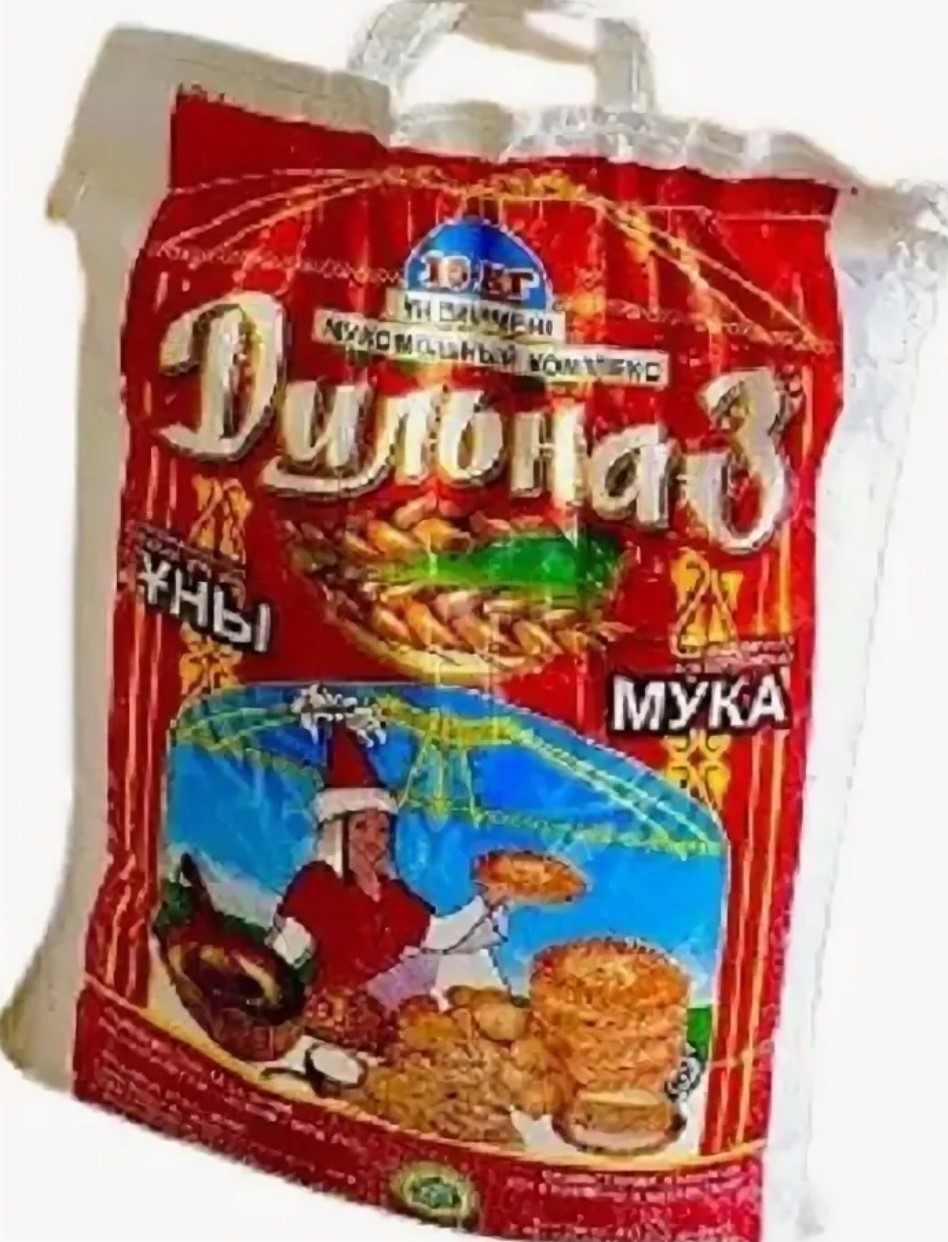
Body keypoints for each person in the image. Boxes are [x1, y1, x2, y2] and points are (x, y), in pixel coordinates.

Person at [268, 722, 508, 1011]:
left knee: (471, 959)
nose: (373, 839)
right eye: (361, 826)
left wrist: (486, 902)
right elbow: (286, 951)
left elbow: (438, 935)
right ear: (337, 829)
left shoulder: (392, 893)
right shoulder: (319, 882)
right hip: (339, 1006)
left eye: (382, 830)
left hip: (392, 1003)